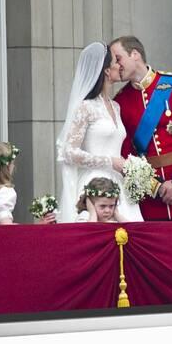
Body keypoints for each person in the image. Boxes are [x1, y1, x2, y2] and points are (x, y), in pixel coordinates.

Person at [111, 35, 172, 221]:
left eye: (118, 58)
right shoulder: (121, 101)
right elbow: (126, 152)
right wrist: (156, 187)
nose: (115, 65)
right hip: (152, 200)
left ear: (135, 54)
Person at [56, 42, 144, 223]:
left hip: (119, 184)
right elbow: (69, 151)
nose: (120, 65)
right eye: (116, 61)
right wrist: (110, 161)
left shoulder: (116, 106)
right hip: (94, 183)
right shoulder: (85, 107)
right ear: (106, 70)